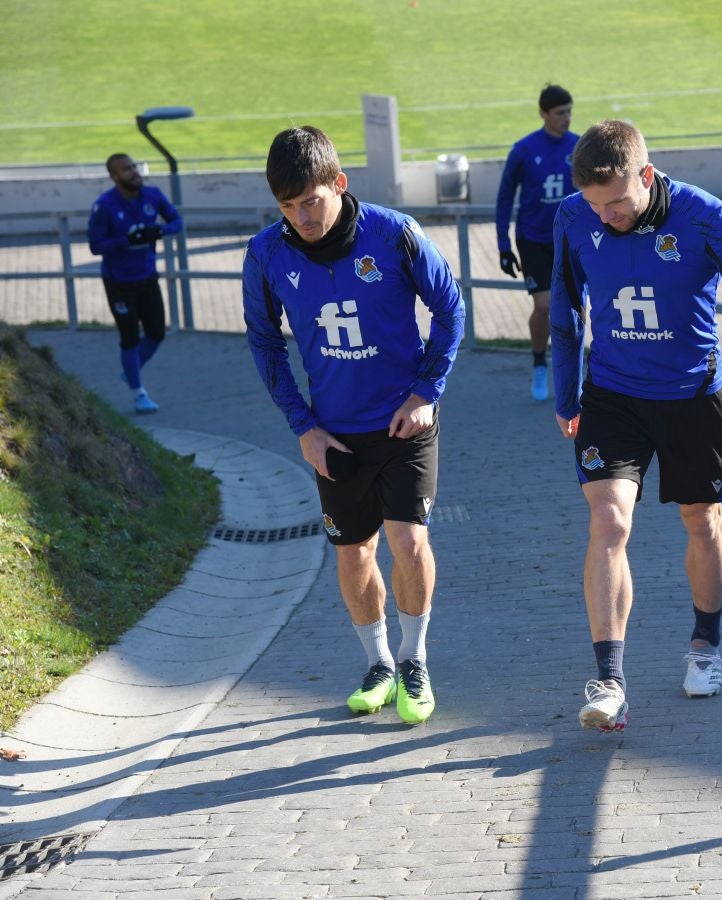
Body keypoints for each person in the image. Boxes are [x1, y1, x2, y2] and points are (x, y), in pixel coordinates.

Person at [551, 120, 722, 731]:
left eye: (617, 203)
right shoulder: (573, 217)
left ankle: (705, 645)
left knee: (701, 520)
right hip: (612, 396)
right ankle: (610, 681)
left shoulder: (704, 217)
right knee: (608, 520)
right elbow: (565, 311)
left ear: (647, 176)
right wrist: (565, 393)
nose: (606, 217)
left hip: (691, 397)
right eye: (595, 205)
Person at [242, 126, 465, 726]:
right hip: (334, 435)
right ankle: (379, 665)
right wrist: (303, 427)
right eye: (288, 206)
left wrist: (426, 392)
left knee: (409, 542)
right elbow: (264, 343)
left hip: (404, 423)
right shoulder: (266, 253)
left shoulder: (394, 234)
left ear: (339, 184)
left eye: (311, 201)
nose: (301, 218)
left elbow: (450, 309)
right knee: (354, 552)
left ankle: (415, 661)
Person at [495, 84, 578, 402]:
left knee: (574, 307)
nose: (566, 118)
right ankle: (539, 362)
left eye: (569, 111)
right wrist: (503, 246)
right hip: (532, 239)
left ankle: (572, 369)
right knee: (543, 306)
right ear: (543, 113)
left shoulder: (579, 146)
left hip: (568, 239)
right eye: (559, 113)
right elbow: (505, 198)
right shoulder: (524, 150)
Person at [87, 153, 183, 414]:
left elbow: (177, 222)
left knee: (156, 332)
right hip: (118, 282)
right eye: (126, 169)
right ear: (114, 176)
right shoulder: (104, 206)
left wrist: (159, 231)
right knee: (129, 337)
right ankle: (139, 393)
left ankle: (131, 371)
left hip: (147, 277)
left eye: (134, 166)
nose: (134, 172)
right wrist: (126, 241)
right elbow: (95, 246)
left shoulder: (153, 195)